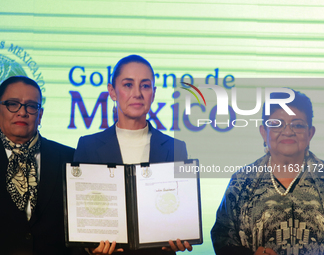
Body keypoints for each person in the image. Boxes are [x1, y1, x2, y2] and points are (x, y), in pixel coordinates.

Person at [74, 55, 192, 254]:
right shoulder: (88, 146)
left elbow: (182, 212)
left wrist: (184, 233)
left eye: (145, 86)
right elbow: (82, 217)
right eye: (128, 85)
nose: (137, 93)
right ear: (112, 91)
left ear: (153, 94)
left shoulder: (175, 147)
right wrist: (90, 248)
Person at [211, 89, 324, 255]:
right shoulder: (241, 182)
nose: (287, 131)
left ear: (310, 133)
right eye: (276, 124)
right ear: (264, 132)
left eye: (297, 125)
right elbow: (222, 238)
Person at [0, 76, 80, 255]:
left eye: (31, 106)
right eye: (13, 104)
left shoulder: (69, 157)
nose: (22, 112)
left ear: (40, 114)